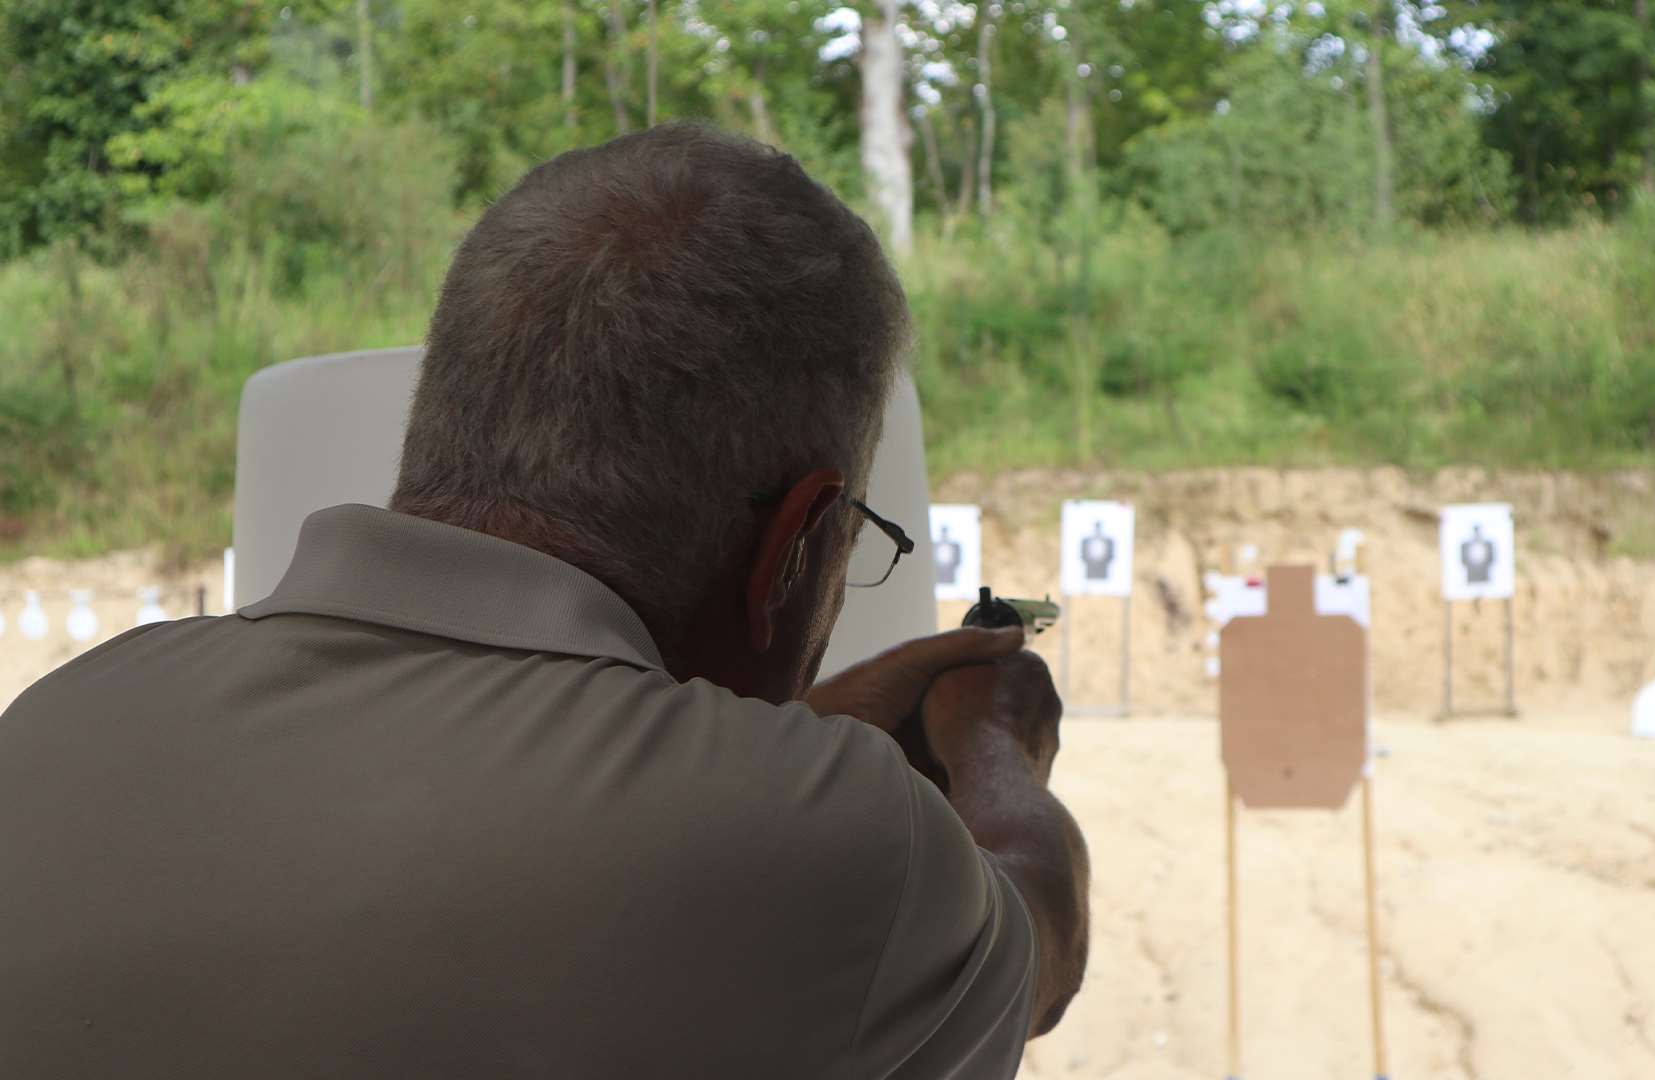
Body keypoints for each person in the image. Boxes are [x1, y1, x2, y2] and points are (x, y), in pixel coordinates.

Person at [0, 124, 1089, 1079]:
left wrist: (812, 739)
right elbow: (1040, 945)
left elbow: (444, 797)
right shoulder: (838, 846)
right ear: (793, 545)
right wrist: (990, 742)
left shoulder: (59, 724)